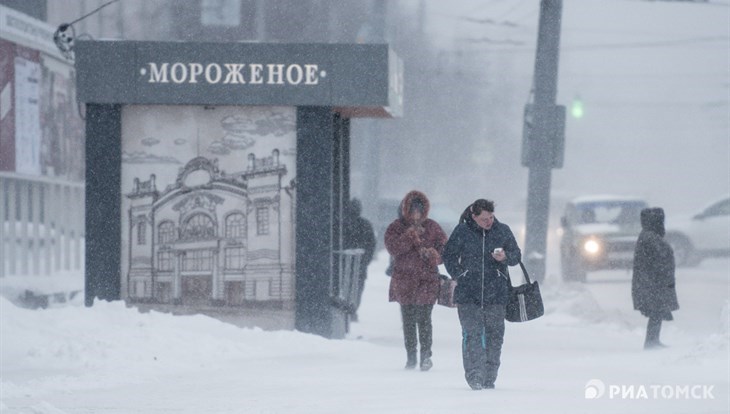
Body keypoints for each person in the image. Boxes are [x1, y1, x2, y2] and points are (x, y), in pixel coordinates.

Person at [442, 199, 521, 390]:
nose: (489, 222)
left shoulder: (502, 230)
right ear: (474, 216)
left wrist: (506, 257)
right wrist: (460, 274)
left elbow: (516, 255)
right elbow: (448, 255)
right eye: (484, 219)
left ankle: (489, 376)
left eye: (491, 217)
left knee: (495, 336)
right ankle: (474, 375)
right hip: (469, 294)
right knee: (473, 334)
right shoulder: (462, 231)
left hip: (496, 294)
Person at [384, 190, 447, 371]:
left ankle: (426, 355)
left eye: (419, 211)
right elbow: (393, 248)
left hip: (427, 280)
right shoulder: (396, 228)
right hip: (404, 280)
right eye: (413, 211)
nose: (416, 215)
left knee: (424, 317)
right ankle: (411, 355)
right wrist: (409, 236)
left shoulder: (433, 227)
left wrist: (434, 255)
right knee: (409, 318)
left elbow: (444, 250)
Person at [631, 207, 679, 350]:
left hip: (652, 282)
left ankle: (653, 339)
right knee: (656, 310)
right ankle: (651, 341)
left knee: (657, 311)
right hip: (652, 283)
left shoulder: (648, 236)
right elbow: (659, 259)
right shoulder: (650, 237)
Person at [343, 198, 376, 322]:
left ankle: (348, 309)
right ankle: (352, 309)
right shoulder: (365, 225)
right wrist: (365, 261)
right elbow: (371, 245)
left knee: (348, 286)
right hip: (359, 266)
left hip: (347, 265)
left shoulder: (343, 224)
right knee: (357, 288)